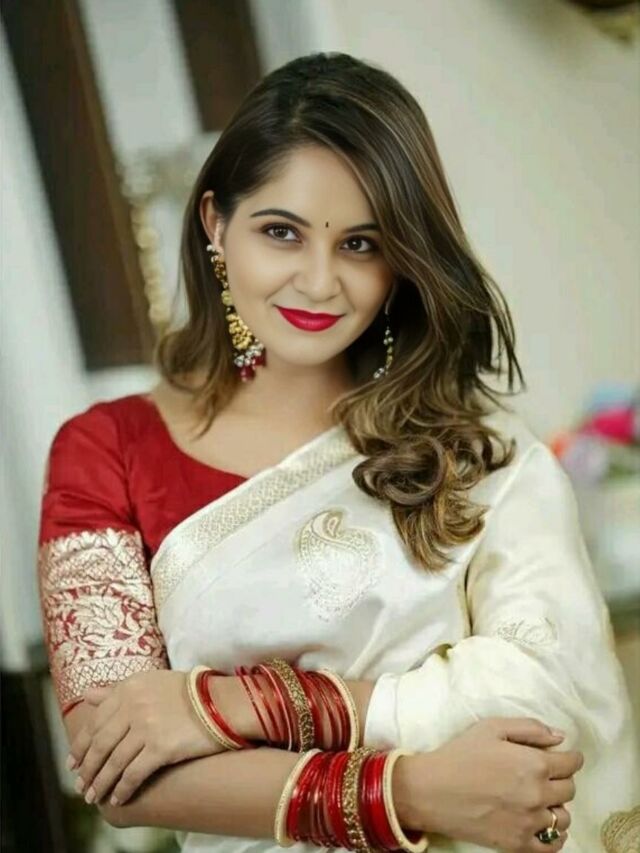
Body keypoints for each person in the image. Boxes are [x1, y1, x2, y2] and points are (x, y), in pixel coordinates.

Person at [37, 52, 639, 853]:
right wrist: (409, 791)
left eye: (360, 243)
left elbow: (550, 692)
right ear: (215, 223)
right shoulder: (107, 450)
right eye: (281, 232)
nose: (319, 282)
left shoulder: (482, 457)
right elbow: (117, 766)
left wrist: (235, 705)